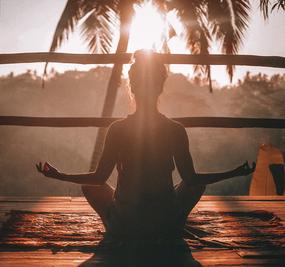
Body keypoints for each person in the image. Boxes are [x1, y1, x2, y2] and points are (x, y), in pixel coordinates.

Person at [36, 50, 255, 240]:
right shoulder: (175, 129)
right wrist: (234, 172)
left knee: (91, 186)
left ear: (132, 87)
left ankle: (114, 226)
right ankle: (175, 222)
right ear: (160, 88)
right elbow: (192, 179)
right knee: (195, 184)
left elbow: (99, 178)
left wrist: (60, 175)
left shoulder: (118, 129)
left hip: (126, 224)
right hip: (164, 222)